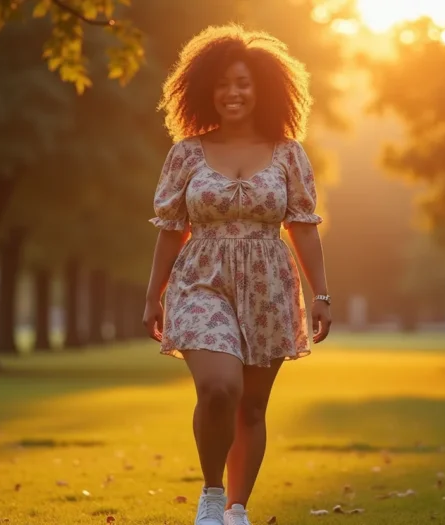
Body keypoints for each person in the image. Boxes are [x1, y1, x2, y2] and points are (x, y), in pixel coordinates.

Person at [142, 24, 332, 525]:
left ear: (263, 89)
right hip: (200, 278)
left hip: (269, 283)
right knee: (220, 388)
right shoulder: (186, 152)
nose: (233, 92)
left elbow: (304, 227)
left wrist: (322, 294)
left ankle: (237, 510)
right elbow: (169, 229)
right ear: (207, 89)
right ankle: (210, 494)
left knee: (251, 406)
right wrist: (152, 296)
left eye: (244, 82)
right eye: (224, 83)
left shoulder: (289, 152)